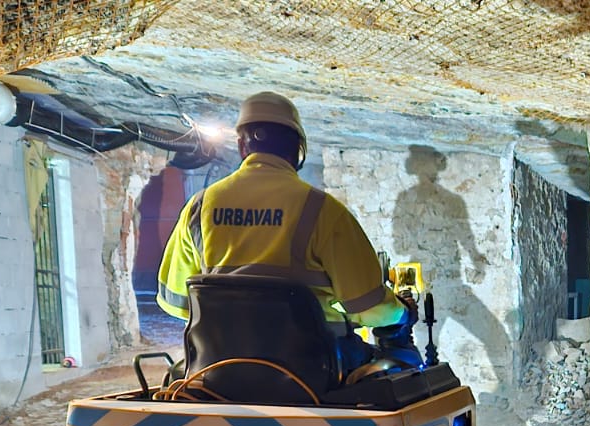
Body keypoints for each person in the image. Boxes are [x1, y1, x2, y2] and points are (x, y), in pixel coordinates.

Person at [156, 91, 418, 375]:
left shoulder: (199, 207)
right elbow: (369, 308)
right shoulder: (323, 211)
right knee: (403, 365)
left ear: (242, 145)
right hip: (312, 372)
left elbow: (175, 302)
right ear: (297, 150)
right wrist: (402, 312)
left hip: (217, 368)